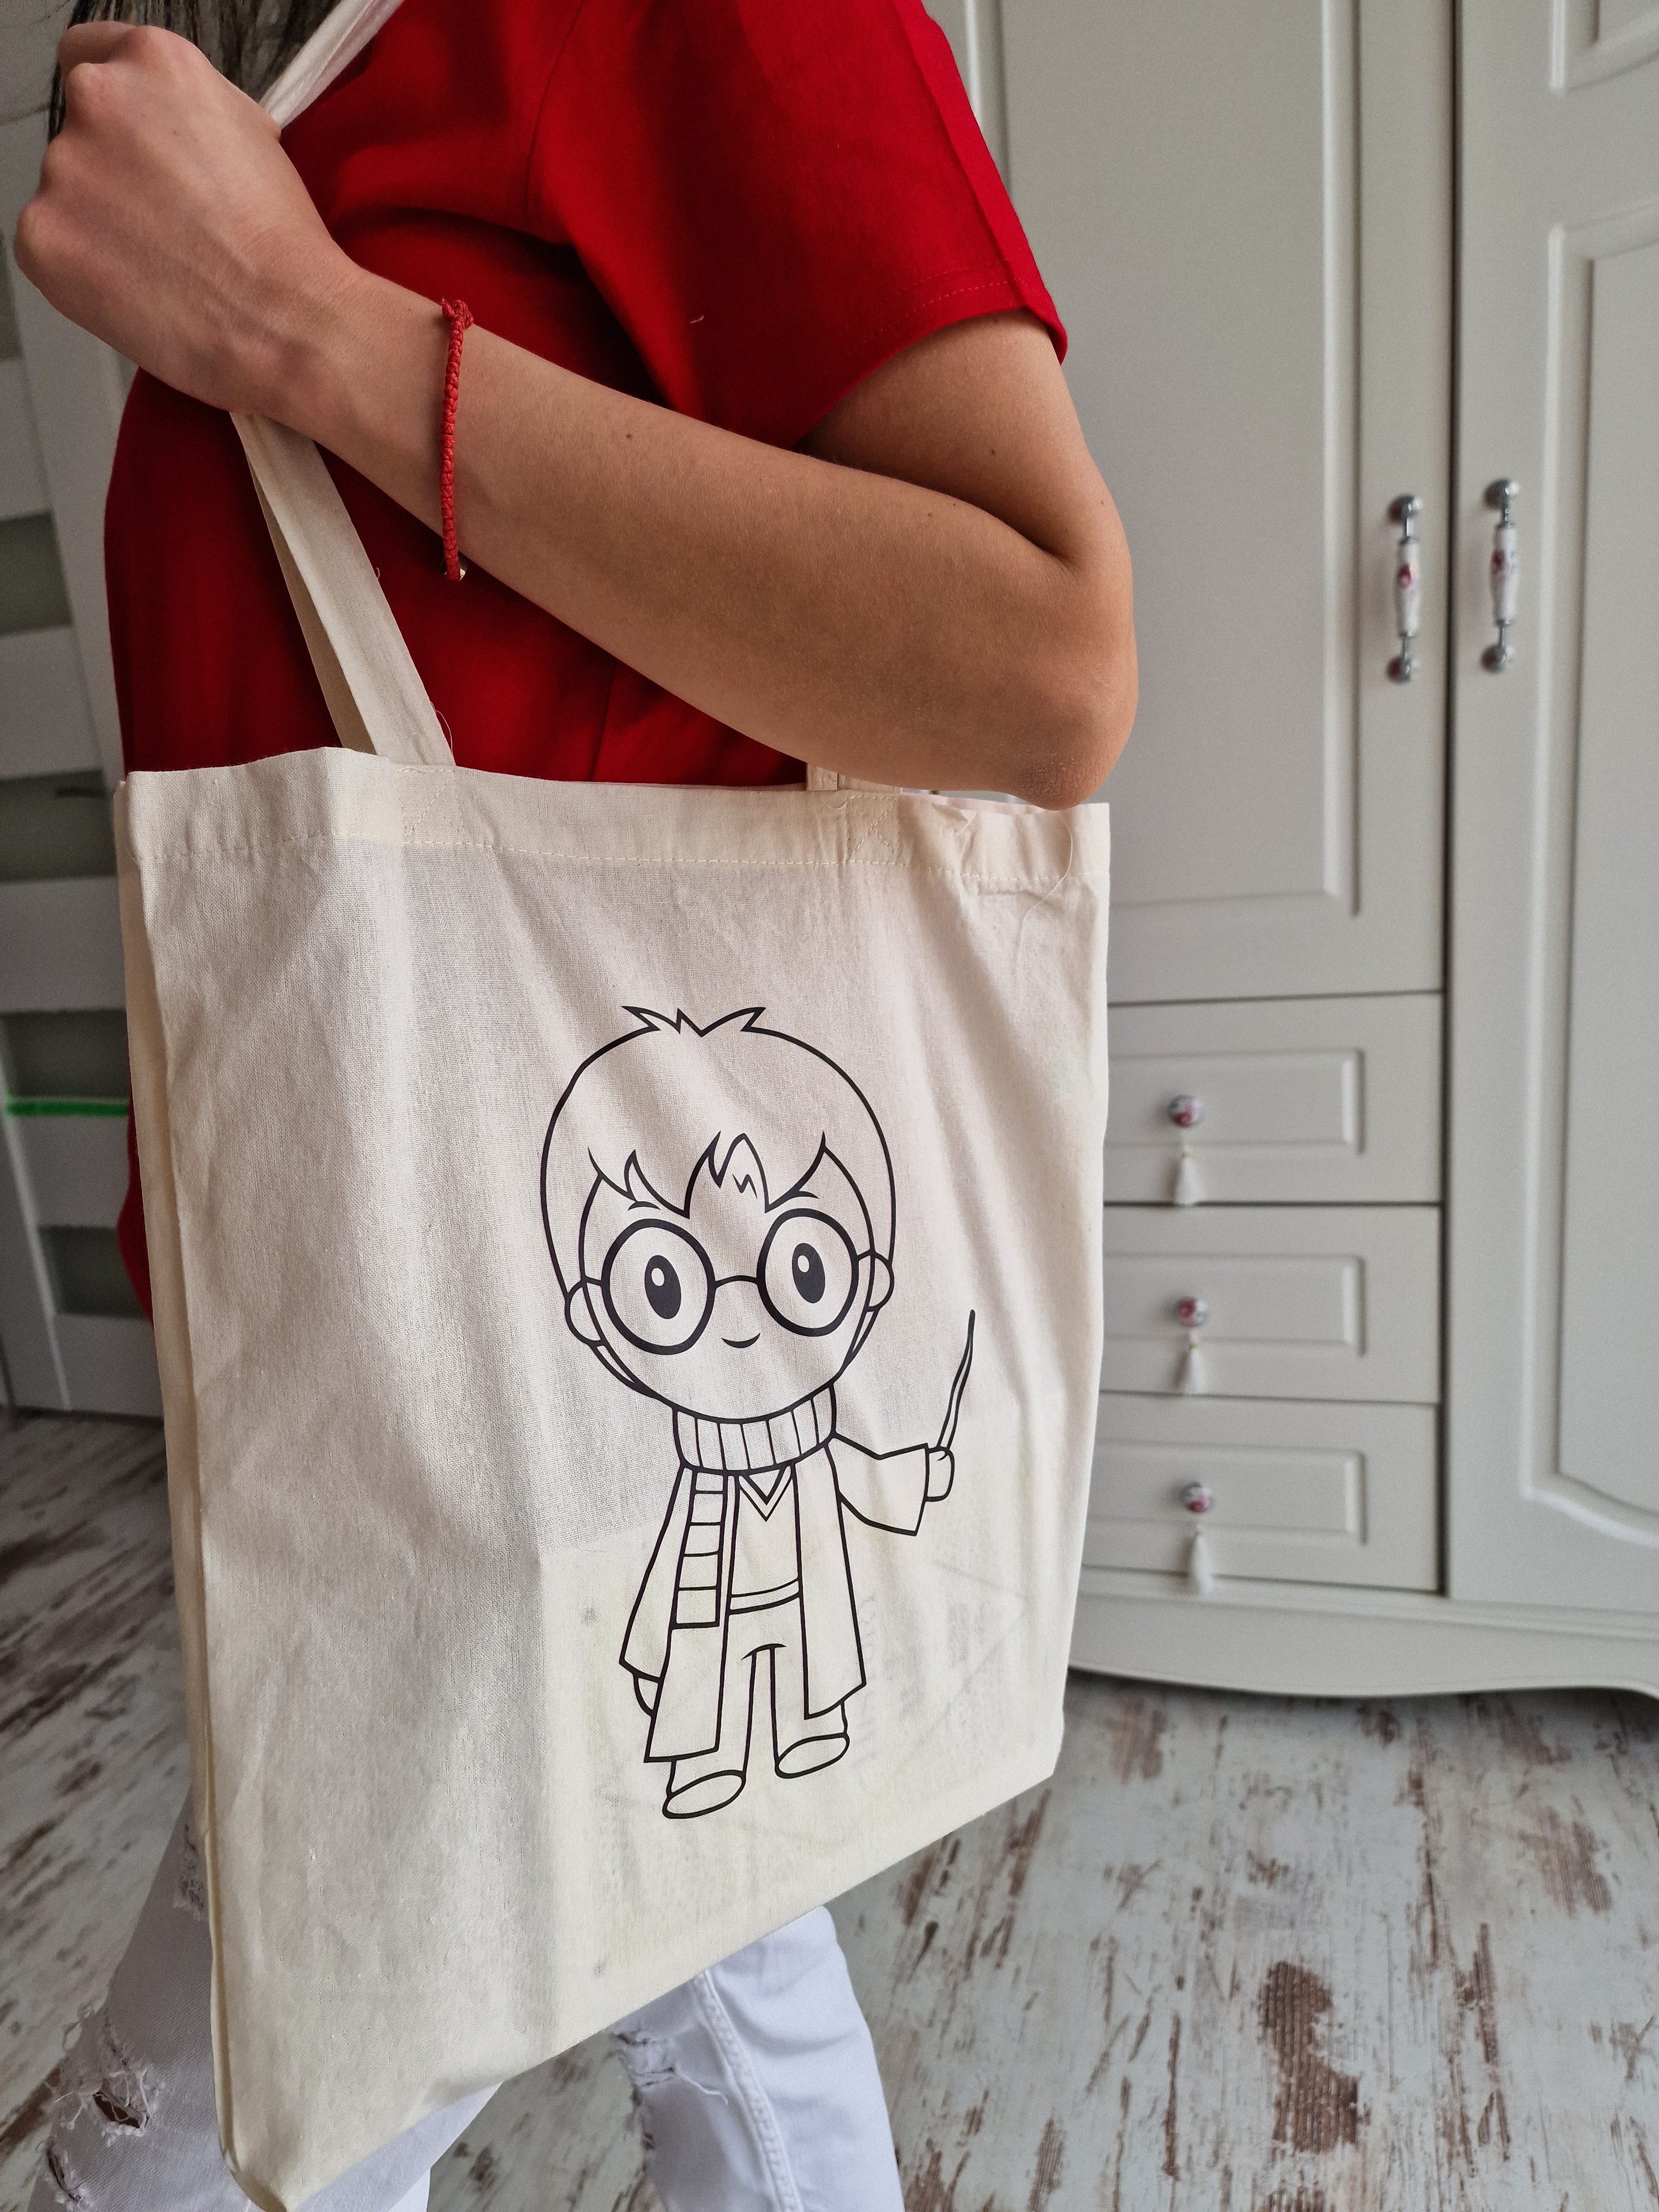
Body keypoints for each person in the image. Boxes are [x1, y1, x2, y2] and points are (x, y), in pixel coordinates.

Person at [14, 2, 1136, 2205]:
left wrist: (300, 327)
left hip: (530, 1382)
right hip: (385, 1333)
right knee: (710, 1919)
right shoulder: (287, 74)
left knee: (210, 2138)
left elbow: (1046, 663)